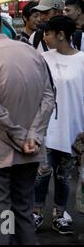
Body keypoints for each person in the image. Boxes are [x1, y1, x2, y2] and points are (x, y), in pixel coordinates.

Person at [0, 2, 55, 245]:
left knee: (2, 212)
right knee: (24, 210)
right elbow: (49, 96)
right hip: (31, 151)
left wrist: (19, 137)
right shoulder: (31, 52)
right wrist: (33, 135)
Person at [33, 16, 84, 235]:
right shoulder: (42, 58)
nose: (44, 37)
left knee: (64, 175)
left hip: (74, 128)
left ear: (61, 35)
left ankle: (60, 214)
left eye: (48, 33)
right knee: (41, 172)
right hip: (45, 127)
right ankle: (35, 212)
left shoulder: (82, 60)